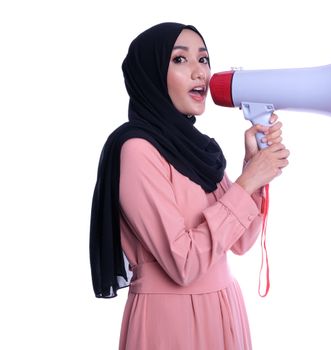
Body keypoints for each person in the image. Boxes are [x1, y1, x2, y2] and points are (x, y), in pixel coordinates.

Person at [89, 22, 290, 350]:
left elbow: (239, 242)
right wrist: (248, 180)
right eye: (180, 60)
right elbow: (183, 264)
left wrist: (252, 173)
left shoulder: (198, 149)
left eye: (204, 59)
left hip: (224, 305)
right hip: (170, 318)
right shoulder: (137, 150)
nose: (201, 73)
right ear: (151, 74)